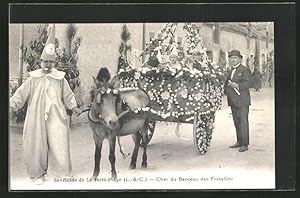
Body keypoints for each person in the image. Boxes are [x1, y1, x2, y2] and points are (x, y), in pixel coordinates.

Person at [10, 25, 82, 185]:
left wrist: (73, 106)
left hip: (56, 115)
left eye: (51, 62)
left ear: (54, 62)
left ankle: (62, 173)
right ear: (40, 62)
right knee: (36, 143)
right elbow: (21, 94)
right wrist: (12, 105)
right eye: (45, 62)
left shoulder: (60, 78)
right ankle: (37, 174)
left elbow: (68, 95)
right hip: (36, 115)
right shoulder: (33, 78)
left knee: (59, 141)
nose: (48, 65)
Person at [224, 50, 253, 152]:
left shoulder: (245, 69)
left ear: (240, 59)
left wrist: (237, 85)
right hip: (233, 101)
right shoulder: (230, 70)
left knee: (243, 122)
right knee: (236, 121)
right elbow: (226, 84)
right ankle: (239, 141)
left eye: (235, 58)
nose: (233, 60)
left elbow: (250, 83)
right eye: (231, 58)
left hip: (243, 100)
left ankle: (245, 144)